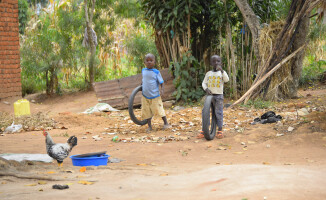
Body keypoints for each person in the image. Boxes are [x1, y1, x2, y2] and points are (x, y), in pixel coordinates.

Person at [198, 55, 229, 139]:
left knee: (218, 112)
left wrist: (222, 71)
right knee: (205, 111)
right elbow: (204, 83)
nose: (216, 63)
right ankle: (204, 129)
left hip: (218, 96)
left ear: (221, 62)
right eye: (214, 61)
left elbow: (226, 80)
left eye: (218, 61)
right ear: (211, 63)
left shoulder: (222, 73)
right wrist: (206, 89)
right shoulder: (208, 73)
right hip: (209, 95)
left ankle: (220, 130)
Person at [141, 53, 171, 132]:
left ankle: (166, 123)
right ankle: (149, 126)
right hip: (145, 96)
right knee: (146, 111)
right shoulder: (143, 71)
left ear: (154, 62)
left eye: (151, 60)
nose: (149, 62)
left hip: (155, 96)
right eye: (147, 61)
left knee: (159, 109)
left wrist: (162, 90)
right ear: (144, 62)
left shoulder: (156, 72)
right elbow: (144, 80)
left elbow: (161, 82)